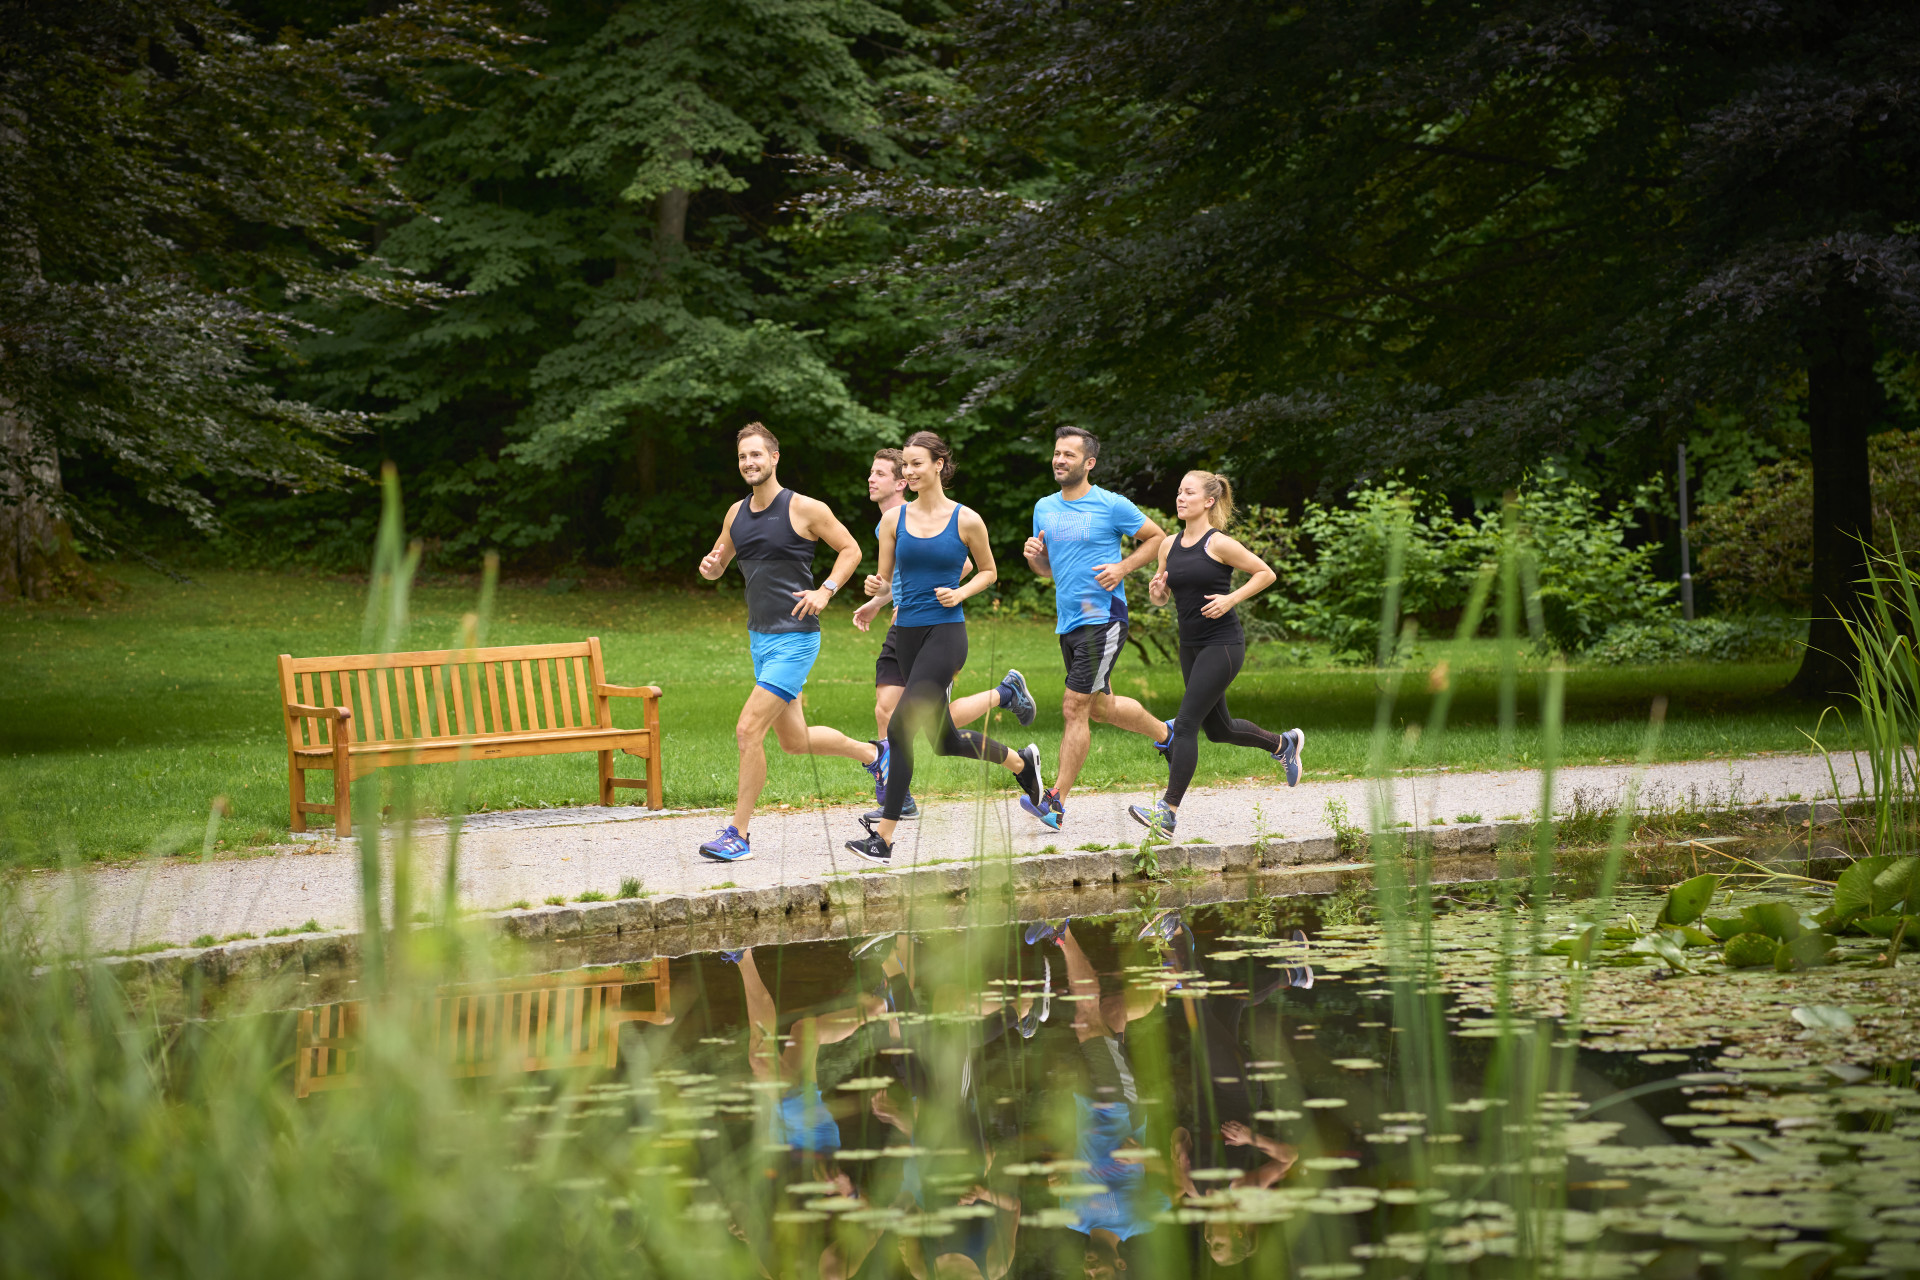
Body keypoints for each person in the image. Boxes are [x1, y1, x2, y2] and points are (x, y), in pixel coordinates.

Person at [846, 432, 1045, 864]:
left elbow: (989, 572)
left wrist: (960, 593)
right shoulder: (893, 522)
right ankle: (1021, 764)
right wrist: (874, 588)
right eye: (906, 466)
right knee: (943, 740)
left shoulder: (966, 520)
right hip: (908, 636)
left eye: (918, 463)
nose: (910, 471)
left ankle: (884, 839)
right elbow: (885, 579)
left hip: (946, 634)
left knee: (899, 728)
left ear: (939, 464)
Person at [695, 424, 889, 862]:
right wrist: (710, 568)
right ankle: (874, 754)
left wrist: (827, 590)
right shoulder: (735, 514)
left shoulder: (804, 508)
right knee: (794, 740)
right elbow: (718, 562)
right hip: (759, 640)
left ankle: (738, 835)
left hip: (796, 639)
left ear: (774, 458)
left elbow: (851, 549)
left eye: (757, 456)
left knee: (748, 730)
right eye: (743, 457)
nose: (749, 463)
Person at [1128, 471, 1304, 838]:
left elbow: (1264, 573)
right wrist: (1157, 590)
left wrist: (1231, 599)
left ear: (1208, 501)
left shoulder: (1218, 543)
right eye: (1178, 492)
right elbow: (1163, 597)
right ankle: (1283, 744)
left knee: (1186, 724)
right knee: (1219, 730)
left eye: (1188, 492)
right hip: (1190, 645)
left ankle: (1168, 813)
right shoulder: (1168, 545)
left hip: (1222, 644)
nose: (1180, 498)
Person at [1021, 427, 1169, 832]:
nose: (1059, 460)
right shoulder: (1044, 508)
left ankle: (1055, 802)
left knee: (1074, 707)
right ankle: (1166, 734)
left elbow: (1157, 537)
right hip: (1068, 619)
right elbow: (1048, 569)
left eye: (1069, 455)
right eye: (1056, 453)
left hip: (1103, 617)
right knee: (1099, 708)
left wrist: (1123, 567)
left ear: (1089, 463)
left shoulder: (1110, 505)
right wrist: (1035, 557)